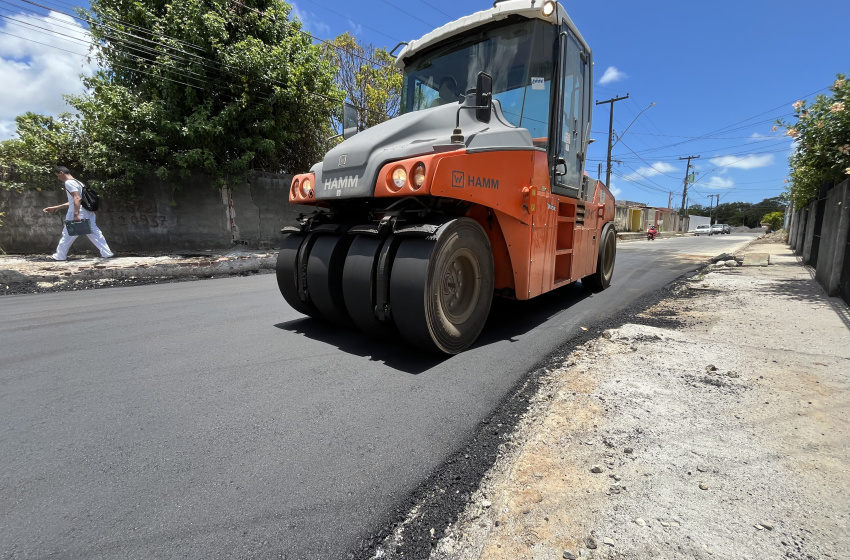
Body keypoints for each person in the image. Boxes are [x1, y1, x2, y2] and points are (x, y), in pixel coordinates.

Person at [42, 166, 114, 261]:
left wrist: (76, 214)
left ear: (61, 173)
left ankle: (60, 256)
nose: (58, 178)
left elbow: (77, 198)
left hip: (78, 212)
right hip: (87, 211)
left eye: (58, 176)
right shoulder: (78, 182)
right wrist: (55, 208)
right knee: (95, 233)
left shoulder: (68, 183)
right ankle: (107, 253)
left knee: (68, 234)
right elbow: (75, 200)